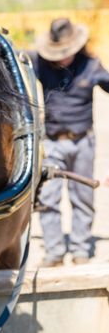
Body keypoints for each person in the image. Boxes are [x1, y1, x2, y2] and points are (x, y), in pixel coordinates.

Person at [29, 18, 109, 266]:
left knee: (82, 197)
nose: (61, 58)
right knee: (48, 198)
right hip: (51, 142)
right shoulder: (40, 63)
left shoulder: (92, 66)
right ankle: (53, 251)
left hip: (83, 142)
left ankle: (80, 248)